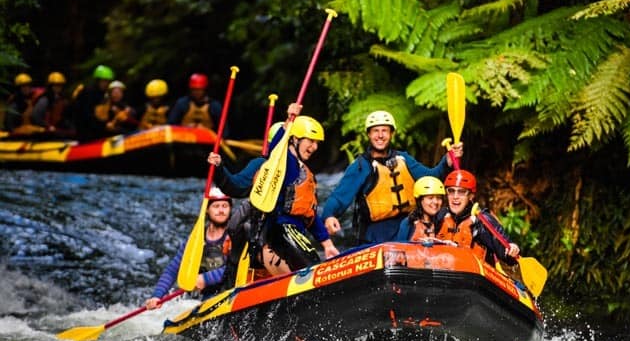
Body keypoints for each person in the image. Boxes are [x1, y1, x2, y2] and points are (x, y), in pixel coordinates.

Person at [207, 103, 339, 276]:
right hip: (273, 234)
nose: (314, 147)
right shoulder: (273, 163)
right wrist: (219, 169)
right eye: (311, 141)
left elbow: (311, 215)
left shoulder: (306, 175)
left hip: (295, 234)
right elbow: (237, 186)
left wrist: (327, 243)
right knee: (308, 263)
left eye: (317, 143)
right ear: (294, 139)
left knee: (310, 261)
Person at [321, 110, 463, 245]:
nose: (380, 135)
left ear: (392, 133)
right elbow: (339, 197)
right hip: (375, 234)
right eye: (376, 131)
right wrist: (329, 215)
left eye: (385, 130)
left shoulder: (404, 159)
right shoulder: (360, 166)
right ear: (369, 134)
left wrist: (447, 161)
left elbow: (431, 178)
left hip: (408, 228)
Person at [145, 187, 235, 309]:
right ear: (207, 210)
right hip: (206, 298)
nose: (221, 210)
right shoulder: (196, 239)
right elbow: (173, 270)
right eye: (216, 206)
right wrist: (158, 295)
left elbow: (236, 267)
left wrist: (205, 279)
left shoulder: (235, 236)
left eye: (225, 206)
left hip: (231, 294)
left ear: (230, 209)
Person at [437, 169, 520, 268]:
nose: (455, 196)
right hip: (443, 273)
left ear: (471, 196)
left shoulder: (483, 221)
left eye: (461, 192)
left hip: (473, 277)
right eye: (451, 191)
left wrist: (512, 250)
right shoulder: (441, 215)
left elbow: (507, 255)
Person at [396, 176, 446, 241]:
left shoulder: (443, 222)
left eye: (439, 198)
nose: (436, 202)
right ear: (419, 201)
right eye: (430, 198)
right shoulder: (408, 223)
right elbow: (399, 247)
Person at [72, 64, 115, 140]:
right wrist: (103, 126)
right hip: (86, 133)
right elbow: (86, 115)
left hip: (99, 130)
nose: (106, 84)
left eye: (108, 81)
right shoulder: (88, 92)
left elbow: (105, 113)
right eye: (104, 81)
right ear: (97, 81)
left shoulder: (104, 94)